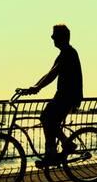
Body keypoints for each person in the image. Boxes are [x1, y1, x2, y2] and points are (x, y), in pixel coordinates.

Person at [24, 24, 83, 166]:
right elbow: (49, 73)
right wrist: (33, 87)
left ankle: (57, 150)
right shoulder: (63, 53)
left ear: (61, 37)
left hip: (68, 96)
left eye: (54, 35)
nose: (52, 38)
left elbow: (53, 74)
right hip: (63, 95)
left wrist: (37, 87)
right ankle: (57, 149)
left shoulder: (68, 53)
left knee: (48, 118)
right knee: (47, 118)